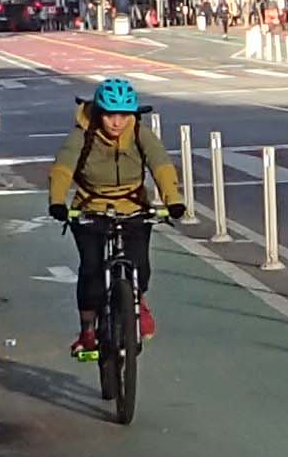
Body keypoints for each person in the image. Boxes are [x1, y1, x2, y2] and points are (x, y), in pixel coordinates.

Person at [47, 78, 186, 355]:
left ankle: (136, 300)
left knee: (141, 266)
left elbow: (161, 164)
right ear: (99, 112)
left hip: (133, 205)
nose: (117, 122)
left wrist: (174, 200)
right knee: (91, 271)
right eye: (111, 115)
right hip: (90, 206)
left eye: (124, 115)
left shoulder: (139, 133)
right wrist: (57, 202)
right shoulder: (83, 133)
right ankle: (87, 330)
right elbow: (63, 167)